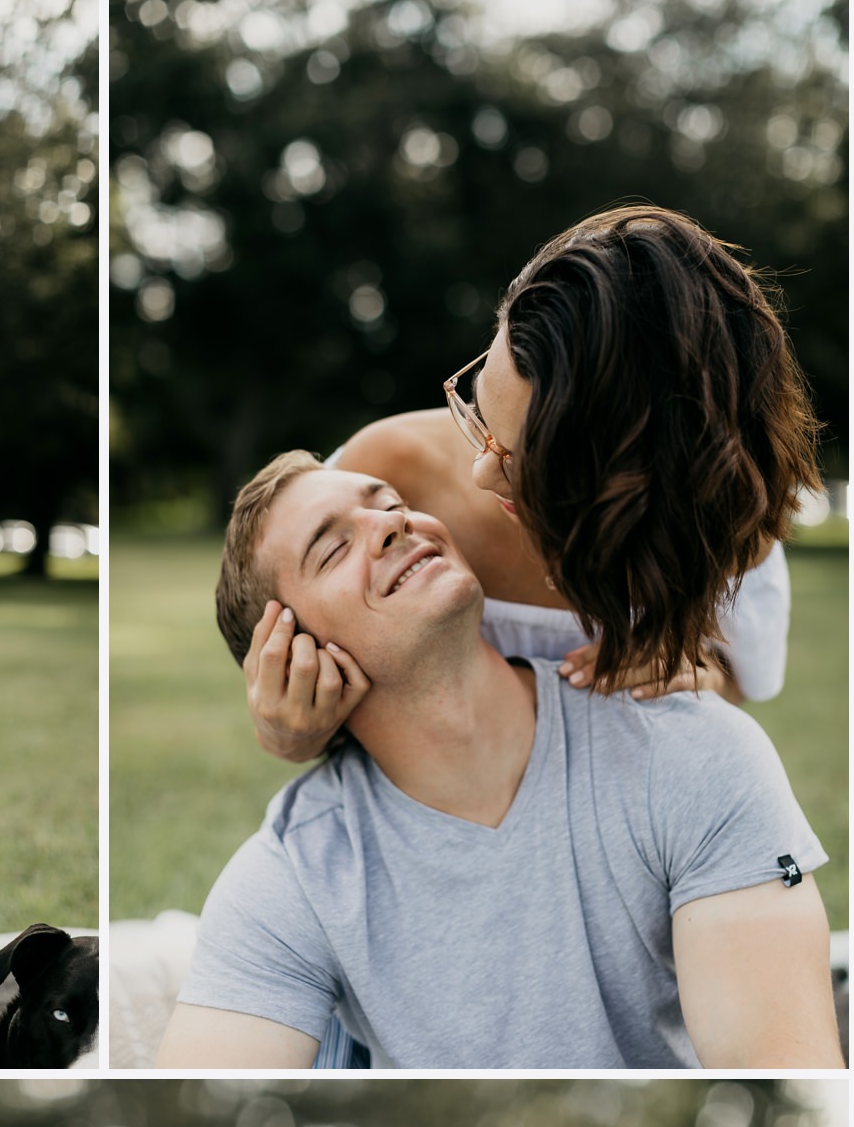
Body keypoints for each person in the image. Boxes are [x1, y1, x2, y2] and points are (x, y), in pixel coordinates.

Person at [155, 468, 839, 1073]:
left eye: (389, 501)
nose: (392, 523)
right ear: (294, 656)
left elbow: (783, 1069)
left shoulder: (689, 748)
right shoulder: (299, 869)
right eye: (333, 548)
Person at [236, 206, 814, 777]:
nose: (481, 473)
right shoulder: (387, 476)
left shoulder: (731, 530)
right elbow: (280, 638)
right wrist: (287, 735)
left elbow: (738, 678)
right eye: (480, 409)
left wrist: (703, 677)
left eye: (530, 464)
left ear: (633, 486)